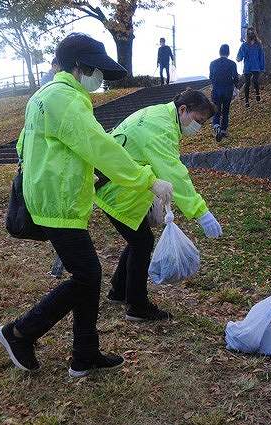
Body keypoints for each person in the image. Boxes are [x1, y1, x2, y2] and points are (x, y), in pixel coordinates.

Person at [0, 33, 174, 378]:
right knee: (88, 275)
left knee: (87, 276)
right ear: (79, 66)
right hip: (58, 203)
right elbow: (100, 146)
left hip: (51, 198)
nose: (100, 79)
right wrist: (147, 179)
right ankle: (20, 333)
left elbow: (25, 147)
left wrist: (72, 173)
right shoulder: (67, 99)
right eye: (96, 70)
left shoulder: (43, 96)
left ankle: (86, 354)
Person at [94, 89, 223, 321]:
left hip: (115, 182)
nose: (199, 127)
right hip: (115, 187)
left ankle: (119, 290)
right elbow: (174, 173)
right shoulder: (160, 128)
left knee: (138, 239)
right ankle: (137, 305)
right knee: (141, 241)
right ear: (183, 109)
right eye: (198, 121)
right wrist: (201, 212)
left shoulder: (160, 117)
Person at [209, 44, 239, 142]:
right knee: (226, 111)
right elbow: (235, 78)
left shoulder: (212, 63)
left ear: (219, 52)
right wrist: (235, 87)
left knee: (216, 111)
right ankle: (223, 130)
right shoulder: (232, 64)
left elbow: (211, 77)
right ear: (228, 53)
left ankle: (216, 126)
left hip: (216, 90)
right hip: (227, 90)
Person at [236, 28, 265, 108]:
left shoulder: (258, 45)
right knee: (247, 83)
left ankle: (257, 94)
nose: (251, 34)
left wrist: (262, 67)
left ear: (254, 34)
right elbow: (240, 55)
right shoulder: (244, 45)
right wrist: (238, 58)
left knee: (255, 81)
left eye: (252, 33)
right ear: (247, 34)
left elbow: (261, 56)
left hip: (256, 66)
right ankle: (246, 101)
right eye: (249, 33)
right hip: (247, 66)